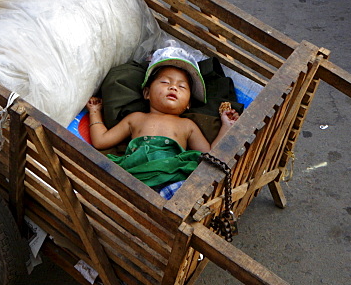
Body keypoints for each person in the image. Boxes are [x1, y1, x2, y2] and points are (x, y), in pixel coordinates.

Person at [87, 48, 239, 189]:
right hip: (135, 174)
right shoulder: (136, 118)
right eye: (165, 82)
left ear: (188, 104)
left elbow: (210, 155)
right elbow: (101, 141)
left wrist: (226, 125)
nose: (173, 87)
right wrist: (95, 111)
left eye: (182, 87)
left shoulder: (187, 125)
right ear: (146, 93)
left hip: (172, 176)